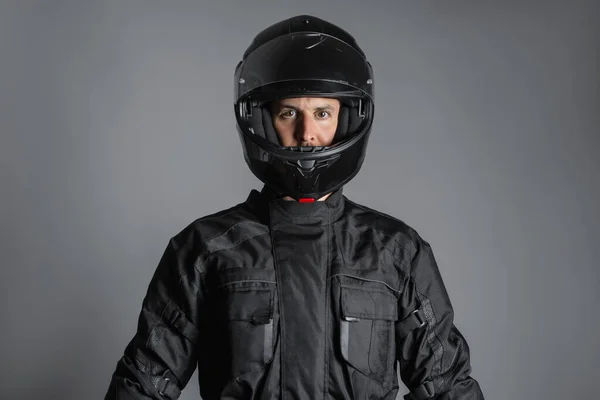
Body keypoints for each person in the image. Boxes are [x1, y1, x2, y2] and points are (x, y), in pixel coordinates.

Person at [105, 14, 485, 400]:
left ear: (348, 119)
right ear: (262, 121)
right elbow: (143, 385)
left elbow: (448, 388)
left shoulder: (396, 251)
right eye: (289, 113)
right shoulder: (205, 249)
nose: (306, 133)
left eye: (322, 113)